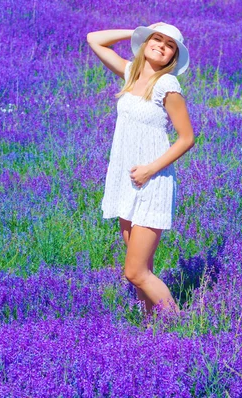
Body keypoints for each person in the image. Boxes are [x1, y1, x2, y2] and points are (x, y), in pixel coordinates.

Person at [86, 22, 195, 316]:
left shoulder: (167, 86)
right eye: (155, 39)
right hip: (126, 181)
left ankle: (178, 328)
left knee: (134, 273)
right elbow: (94, 39)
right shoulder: (129, 74)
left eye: (169, 44)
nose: (160, 46)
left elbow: (187, 138)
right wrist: (135, 31)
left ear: (174, 56)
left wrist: (149, 170)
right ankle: (152, 332)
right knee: (142, 269)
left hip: (152, 182)